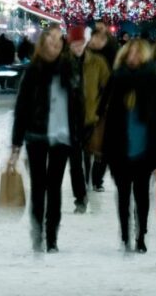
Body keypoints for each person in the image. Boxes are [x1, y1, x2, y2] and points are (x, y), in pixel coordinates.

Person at [10, 24, 83, 253]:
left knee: (55, 188)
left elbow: (78, 102)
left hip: (62, 136)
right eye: (51, 39)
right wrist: (16, 143)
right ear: (43, 43)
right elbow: (22, 108)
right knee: (39, 188)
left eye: (58, 40)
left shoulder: (68, 67)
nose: (55, 43)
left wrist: (78, 132)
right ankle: (37, 234)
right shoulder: (32, 71)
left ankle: (52, 237)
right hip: (37, 135)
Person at [99, 39, 156, 254]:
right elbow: (104, 112)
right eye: (130, 54)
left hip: (144, 147)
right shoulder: (116, 79)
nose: (133, 58)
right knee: (123, 194)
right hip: (119, 146)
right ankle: (125, 234)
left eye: (138, 54)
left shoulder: (153, 80)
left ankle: (141, 235)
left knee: (141, 194)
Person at [83, 26, 113, 192]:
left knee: (101, 147)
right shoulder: (82, 56)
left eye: (103, 39)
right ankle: (87, 178)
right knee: (86, 148)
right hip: (85, 108)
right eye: (96, 38)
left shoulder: (109, 54)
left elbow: (108, 84)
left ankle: (96, 179)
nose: (99, 41)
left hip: (101, 108)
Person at [65, 26, 90, 213]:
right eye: (76, 43)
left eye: (81, 43)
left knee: (78, 161)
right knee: (73, 162)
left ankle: (81, 196)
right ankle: (80, 197)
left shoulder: (91, 61)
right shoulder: (64, 62)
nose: (79, 47)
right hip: (66, 118)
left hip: (84, 117)